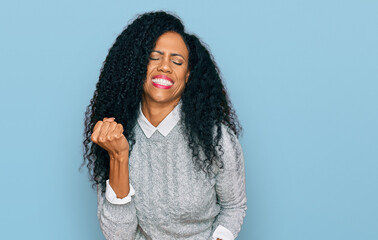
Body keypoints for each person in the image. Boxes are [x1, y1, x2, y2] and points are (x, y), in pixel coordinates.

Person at [82, 10, 247, 240]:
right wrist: (118, 156)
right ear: (138, 65)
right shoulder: (114, 135)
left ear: (188, 75)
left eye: (176, 61)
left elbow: (234, 207)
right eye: (154, 57)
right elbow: (119, 236)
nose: (165, 67)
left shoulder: (216, 138)